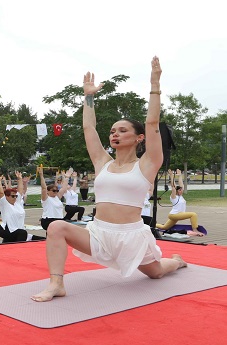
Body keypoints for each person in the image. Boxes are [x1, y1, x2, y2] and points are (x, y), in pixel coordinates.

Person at [31, 57, 187, 302]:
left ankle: (176, 262)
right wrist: (88, 97)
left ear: (139, 138)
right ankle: (56, 283)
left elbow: (152, 122)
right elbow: (89, 129)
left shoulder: (147, 164)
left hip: (132, 237)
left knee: (156, 273)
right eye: (113, 131)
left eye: (123, 130)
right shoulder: (102, 162)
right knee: (56, 226)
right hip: (99, 234)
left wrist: (154, 84)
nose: (115, 134)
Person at [0, 171, 46, 243]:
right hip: (6, 229)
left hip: (17, 230)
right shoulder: (4, 203)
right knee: (22, 233)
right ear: (6, 197)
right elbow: (0, 192)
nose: (15, 197)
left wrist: (20, 179)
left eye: (15, 196)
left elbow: (20, 190)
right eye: (13, 196)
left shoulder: (17, 202)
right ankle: (19, 250)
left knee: (41, 239)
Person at [155, 169, 204, 236]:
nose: (181, 191)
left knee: (164, 227)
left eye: (182, 190)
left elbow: (181, 184)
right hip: (174, 215)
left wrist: (180, 176)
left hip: (177, 215)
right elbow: (173, 186)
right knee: (193, 214)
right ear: (176, 191)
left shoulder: (181, 197)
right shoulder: (174, 197)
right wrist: (171, 176)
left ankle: (151, 224)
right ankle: (195, 230)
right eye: (180, 190)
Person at [38, 167, 69, 231]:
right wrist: (41, 175)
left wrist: (66, 177)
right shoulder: (46, 199)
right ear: (48, 191)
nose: (56, 192)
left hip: (59, 219)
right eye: (54, 191)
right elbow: (44, 188)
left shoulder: (57, 197)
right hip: (48, 220)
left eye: (57, 191)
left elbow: (64, 188)